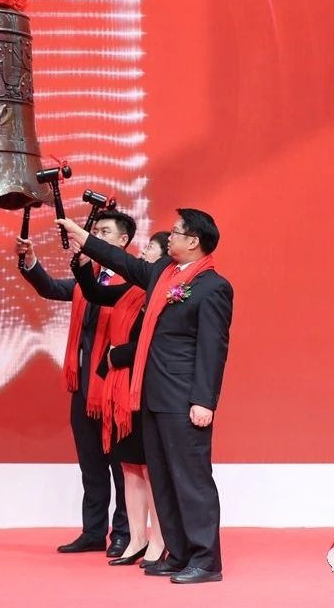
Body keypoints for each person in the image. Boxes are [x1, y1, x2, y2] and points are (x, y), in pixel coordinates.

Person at [56, 209, 233, 584]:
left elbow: (212, 349)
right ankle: (178, 553)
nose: (170, 237)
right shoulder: (162, 274)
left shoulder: (212, 287)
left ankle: (206, 560)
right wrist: (82, 237)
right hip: (152, 397)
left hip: (184, 400)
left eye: (178, 232)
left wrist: (205, 401)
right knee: (163, 480)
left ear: (193, 241)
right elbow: (120, 261)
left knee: (191, 480)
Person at [14, 209, 135, 558]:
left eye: (105, 232)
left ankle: (125, 534)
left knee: (122, 467)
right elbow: (51, 288)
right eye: (95, 230)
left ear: (123, 240)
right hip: (83, 387)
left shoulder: (133, 281)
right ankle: (93, 532)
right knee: (91, 465)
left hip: (114, 388)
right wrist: (31, 261)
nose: (95, 236)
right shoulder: (88, 279)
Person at [72, 231, 170, 568]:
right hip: (119, 387)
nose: (143, 252)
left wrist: (118, 355)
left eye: (151, 248)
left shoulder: (163, 293)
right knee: (129, 467)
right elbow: (95, 292)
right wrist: (82, 262)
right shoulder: (131, 290)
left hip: (143, 386)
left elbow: (154, 340)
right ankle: (137, 539)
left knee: (150, 468)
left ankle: (159, 539)